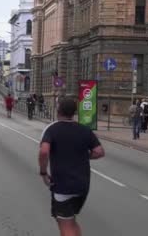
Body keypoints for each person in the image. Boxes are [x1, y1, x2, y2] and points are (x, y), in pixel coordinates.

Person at [39, 98, 105, 236]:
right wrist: (84, 157)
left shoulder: (52, 129)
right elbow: (99, 152)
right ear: (74, 112)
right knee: (71, 221)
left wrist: (44, 173)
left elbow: (44, 151)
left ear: (58, 110)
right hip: (82, 186)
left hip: (63, 186)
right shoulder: (85, 130)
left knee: (65, 225)